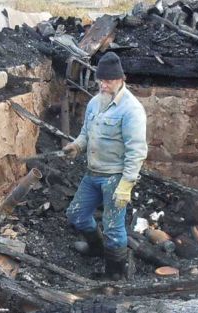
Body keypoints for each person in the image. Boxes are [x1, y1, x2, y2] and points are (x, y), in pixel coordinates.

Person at [62, 52, 148, 280]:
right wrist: (77, 146)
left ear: (122, 79)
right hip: (93, 173)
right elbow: (85, 133)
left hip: (115, 178)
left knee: (113, 227)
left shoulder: (131, 110)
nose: (103, 84)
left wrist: (126, 185)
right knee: (77, 215)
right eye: (100, 80)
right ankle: (97, 248)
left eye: (108, 81)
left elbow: (136, 151)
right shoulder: (94, 102)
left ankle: (115, 273)